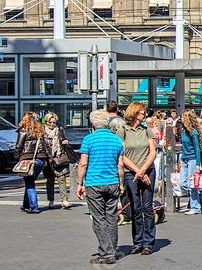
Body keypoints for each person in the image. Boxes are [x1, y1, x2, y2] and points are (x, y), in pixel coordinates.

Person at [77, 109, 125, 265]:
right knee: (111, 216)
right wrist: (121, 183)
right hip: (112, 182)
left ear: (93, 124)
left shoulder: (89, 140)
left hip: (94, 183)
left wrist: (80, 183)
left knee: (98, 219)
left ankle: (107, 252)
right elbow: (120, 165)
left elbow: (83, 163)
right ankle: (111, 248)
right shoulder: (116, 140)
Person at [121, 102, 157, 255]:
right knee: (136, 207)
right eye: (142, 113)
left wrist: (143, 170)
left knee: (147, 207)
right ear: (135, 113)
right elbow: (122, 155)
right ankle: (137, 242)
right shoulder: (122, 131)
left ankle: (148, 242)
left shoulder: (146, 130)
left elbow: (152, 152)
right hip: (131, 172)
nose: (145, 115)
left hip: (147, 170)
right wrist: (137, 171)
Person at [14, 111, 49, 213]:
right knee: (30, 181)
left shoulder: (24, 130)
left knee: (29, 182)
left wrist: (17, 158)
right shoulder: (40, 131)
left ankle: (34, 207)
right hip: (41, 159)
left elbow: (18, 146)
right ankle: (26, 204)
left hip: (28, 159)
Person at [42, 112, 75, 210]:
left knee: (61, 179)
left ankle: (64, 200)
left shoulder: (59, 130)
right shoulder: (42, 131)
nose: (52, 125)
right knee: (50, 180)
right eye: (50, 122)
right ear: (46, 122)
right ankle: (51, 201)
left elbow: (64, 139)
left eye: (54, 122)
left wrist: (65, 141)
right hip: (48, 159)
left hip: (59, 157)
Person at [177, 109, 202, 215]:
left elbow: (197, 148)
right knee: (183, 183)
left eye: (183, 117)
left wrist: (198, 164)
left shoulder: (193, 132)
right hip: (184, 158)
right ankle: (200, 197)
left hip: (193, 159)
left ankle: (195, 207)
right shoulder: (183, 131)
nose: (181, 119)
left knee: (191, 184)